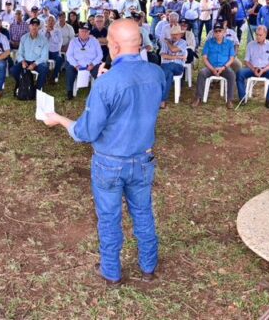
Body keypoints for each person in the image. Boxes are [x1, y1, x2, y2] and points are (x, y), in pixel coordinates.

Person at [42, 19, 163, 285]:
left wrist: (59, 119)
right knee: (143, 213)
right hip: (143, 158)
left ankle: (111, 271)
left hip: (110, 162)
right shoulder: (156, 73)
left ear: (115, 46)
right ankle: (148, 267)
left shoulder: (105, 85)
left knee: (109, 218)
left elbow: (85, 132)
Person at [194, 22, 237, 107]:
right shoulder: (208, 42)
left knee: (231, 74)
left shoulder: (229, 43)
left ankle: (229, 100)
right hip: (211, 67)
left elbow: (232, 58)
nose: (218, 33)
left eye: (220, 31)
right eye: (216, 31)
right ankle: (198, 98)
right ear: (213, 33)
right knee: (202, 73)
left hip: (224, 67)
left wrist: (223, 68)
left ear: (224, 32)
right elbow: (204, 58)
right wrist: (212, 69)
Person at [236, 26, 269, 108]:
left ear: (265, 34)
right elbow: (246, 61)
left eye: (260, 35)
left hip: (265, 69)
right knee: (240, 73)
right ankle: (242, 98)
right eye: (257, 34)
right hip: (252, 68)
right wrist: (253, 69)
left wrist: (263, 70)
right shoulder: (250, 44)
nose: (258, 37)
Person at [64, 23, 103, 100]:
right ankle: (69, 91)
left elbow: (100, 55)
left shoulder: (95, 41)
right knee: (69, 69)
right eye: (82, 31)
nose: (84, 33)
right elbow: (69, 55)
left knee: (99, 72)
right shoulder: (73, 41)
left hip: (91, 64)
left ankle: (99, 92)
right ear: (79, 32)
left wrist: (93, 64)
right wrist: (76, 65)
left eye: (86, 31)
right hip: (77, 64)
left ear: (89, 32)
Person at [12, 17, 50, 93]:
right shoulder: (24, 38)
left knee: (44, 69)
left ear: (39, 27)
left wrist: (34, 64)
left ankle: (37, 89)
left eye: (36, 25)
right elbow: (19, 53)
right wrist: (22, 61)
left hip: (37, 62)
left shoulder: (44, 39)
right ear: (29, 26)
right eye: (32, 25)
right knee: (13, 70)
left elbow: (44, 57)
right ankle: (22, 84)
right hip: (25, 61)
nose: (34, 27)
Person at [157, 25, 188, 107]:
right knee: (169, 74)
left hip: (177, 66)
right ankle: (162, 100)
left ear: (181, 35)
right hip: (165, 65)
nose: (174, 36)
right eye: (172, 34)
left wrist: (168, 43)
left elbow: (173, 49)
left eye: (176, 34)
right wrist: (178, 57)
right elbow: (163, 55)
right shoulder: (165, 42)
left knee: (167, 68)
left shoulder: (183, 42)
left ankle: (156, 95)